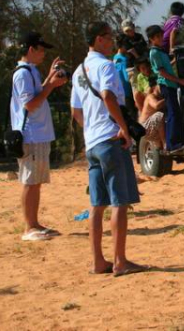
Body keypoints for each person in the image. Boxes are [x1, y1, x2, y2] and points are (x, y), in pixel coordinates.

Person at [70, 21, 146, 276]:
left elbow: (75, 111)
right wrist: (123, 127)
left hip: (91, 142)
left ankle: (97, 261)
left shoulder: (79, 71)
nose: (112, 40)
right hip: (110, 140)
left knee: (96, 204)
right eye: (108, 36)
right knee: (120, 203)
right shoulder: (106, 65)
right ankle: (120, 261)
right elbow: (108, 96)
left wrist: (89, 129)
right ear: (99, 39)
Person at [10, 32, 67, 241]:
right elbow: (31, 104)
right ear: (31, 49)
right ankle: (29, 227)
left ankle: (34, 223)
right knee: (30, 181)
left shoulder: (30, 71)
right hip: (30, 135)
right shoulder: (22, 73)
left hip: (39, 134)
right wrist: (51, 85)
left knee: (36, 181)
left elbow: (38, 94)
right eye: (41, 49)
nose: (43, 53)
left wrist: (49, 80)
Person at [147, 24, 184, 152]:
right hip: (166, 85)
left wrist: (175, 60)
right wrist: (179, 80)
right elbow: (162, 72)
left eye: (161, 35)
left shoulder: (160, 51)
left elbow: (166, 66)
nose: (160, 38)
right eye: (157, 36)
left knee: (175, 112)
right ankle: (172, 144)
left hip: (171, 85)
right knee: (173, 113)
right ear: (151, 39)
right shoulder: (154, 52)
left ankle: (177, 142)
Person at [139, 78, 166, 150]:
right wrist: (168, 98)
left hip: (151, 127)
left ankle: (161, 147)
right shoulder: (150, 96)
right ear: (155, 87)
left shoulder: (159, 97)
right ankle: (165, 143)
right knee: (159, 115)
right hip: (145, 127)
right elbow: (156, 105)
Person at [113, 41, 134, 116]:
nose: (127, 48)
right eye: (126, 46)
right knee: (132, 114)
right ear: (121, 47)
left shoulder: (118, 58)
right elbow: (126, 77)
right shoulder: (121, 59)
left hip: (125, 91)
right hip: (127, 91)